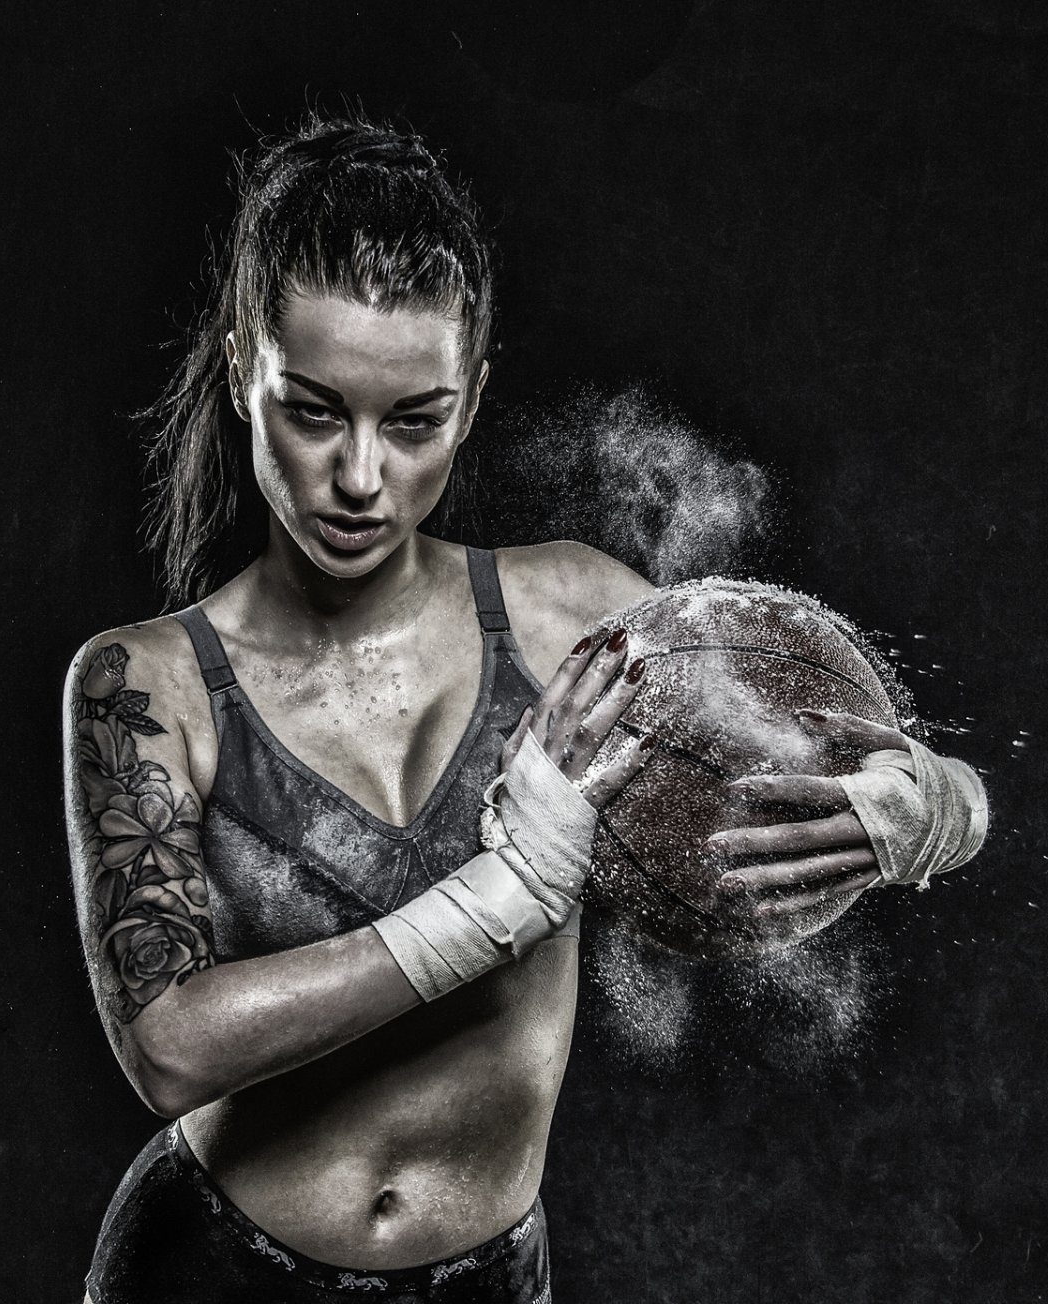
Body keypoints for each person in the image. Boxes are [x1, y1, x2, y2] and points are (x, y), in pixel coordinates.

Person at [65, 113, 990, 1304]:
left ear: (474, 390)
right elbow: (167, 1045)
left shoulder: (574, 619)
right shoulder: (146, 682)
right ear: (244, 359)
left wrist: (926, 810)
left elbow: (880, 768)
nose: (360, 475)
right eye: (312, 409)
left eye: (414, 419)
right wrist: (505, 896)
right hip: (205, 1272)